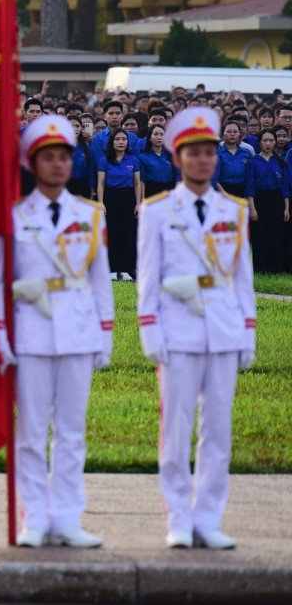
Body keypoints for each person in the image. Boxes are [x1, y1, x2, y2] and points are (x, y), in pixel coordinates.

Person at [137, 106, 256, 550]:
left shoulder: (235, 210)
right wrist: (150, 331)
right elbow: (147, 278)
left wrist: (248, 333)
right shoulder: (157, 212)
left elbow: (242, 278)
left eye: (210, 153)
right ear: (177, 159)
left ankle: (208, 518)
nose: (204, 160)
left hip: (224, 329)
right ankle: (179, 519)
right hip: (179, 330)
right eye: (195, 153)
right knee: (176, 430)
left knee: (218, 431)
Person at [6, 116, 114, 549]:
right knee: (31, 432)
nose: (57, 165)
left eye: (64, 157)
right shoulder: (15, 216)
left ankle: (68, 517)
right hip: (30, 334)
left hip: (77, 330)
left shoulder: (89, 215)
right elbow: (0, 281)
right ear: (32, 164)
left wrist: (104, 336)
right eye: (47, 157)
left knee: (71, 432)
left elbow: (101, 282)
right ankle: (34, 518)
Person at [97, 128, 142, 280]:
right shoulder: (104, 160)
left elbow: (137, 183)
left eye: (124, 139)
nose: (121, 142)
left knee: (128, 234)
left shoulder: (133, 160)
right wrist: (101, 203)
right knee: (112, 233)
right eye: (117, 139)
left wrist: (138, 203)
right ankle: (111, 269)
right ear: (112, 142)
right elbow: (101, 183)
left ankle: (127, 269)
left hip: (128, 198)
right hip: (111, 198)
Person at [243, 129, 288, 274]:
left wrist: (286, 207)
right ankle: (259, 269)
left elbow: (284, 187)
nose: (268, 144)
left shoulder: (280, 162)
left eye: (271, 140)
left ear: (275, 142)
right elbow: (249, 186)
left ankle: (275, 269)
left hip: (277, 200)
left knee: (276, 234)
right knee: (259, 234)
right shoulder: (253, 162)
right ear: (259, 143)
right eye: (265, 141)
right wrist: (252, 207)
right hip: (259, 199)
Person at [138, 124, 178, 198]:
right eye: (155, 134)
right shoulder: (143, 157)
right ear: (150, 138)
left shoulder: (172, 156)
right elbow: (142, 180)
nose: (159, 137)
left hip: (169, 191)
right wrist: (142, 199)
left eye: (162, 134)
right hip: (151, 192)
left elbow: (177, 178)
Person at [216, 122, 249, 198]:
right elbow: (213, 176)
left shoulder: (246, 152)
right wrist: (223, 192)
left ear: (239, 134)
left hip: (242, 191)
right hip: (222, 191)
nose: (232, 134)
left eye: (235, 131)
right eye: (228, 131)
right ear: (223, 133)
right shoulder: (217, 152)